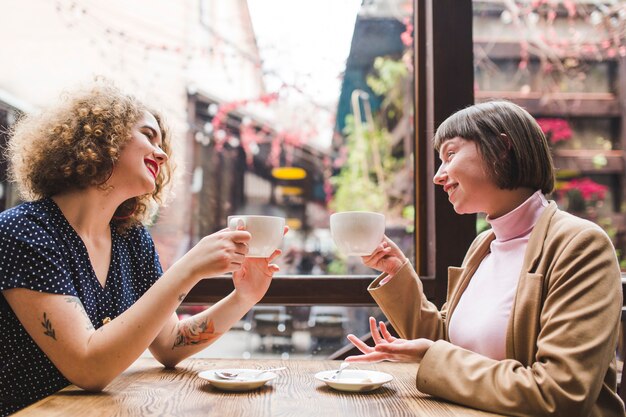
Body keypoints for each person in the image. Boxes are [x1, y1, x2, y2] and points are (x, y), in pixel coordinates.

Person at [0, 81, 283, 416]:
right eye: (148, 135)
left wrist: (243, 297)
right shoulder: (23, 231)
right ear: (100, 137)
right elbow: (88, 367)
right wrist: (188, 268)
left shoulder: (131, 239)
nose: (161, 154)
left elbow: (170, 344)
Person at [345, 101, 625, 417]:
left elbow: (559, 393)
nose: (438, 176)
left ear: (502, 148)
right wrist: (397, 273)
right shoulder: (484, 245)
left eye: (450, 155)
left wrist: (433, 356)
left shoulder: (581, 245)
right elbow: (446, 344)